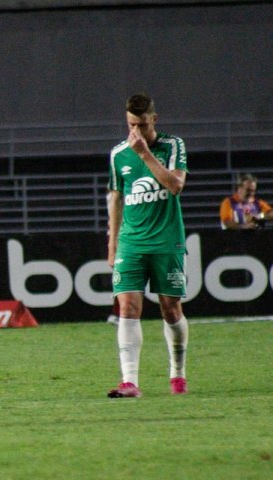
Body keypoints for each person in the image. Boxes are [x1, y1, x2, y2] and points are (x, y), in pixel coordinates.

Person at [106, 93, 189, 398]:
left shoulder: (173, 146)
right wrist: (113, 244)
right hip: (132, 241)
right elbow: (115, 198)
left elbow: (176, 185)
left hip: (166, 240)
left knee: (170, 309)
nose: (136, 132)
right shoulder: (118, 154)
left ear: (155, 119)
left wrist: (144, 155)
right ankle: (130, 382)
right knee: (128, 306)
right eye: (131, 125)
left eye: (141, 125)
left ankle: (177, 373)